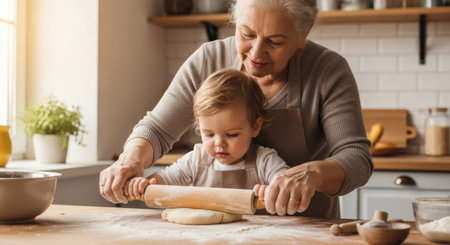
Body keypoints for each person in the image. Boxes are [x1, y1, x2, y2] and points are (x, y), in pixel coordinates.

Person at [100, 0, 373, 218]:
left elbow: (356, 158)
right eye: (247, 34)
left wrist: (312, 174)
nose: (256, 53)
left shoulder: (328, 70)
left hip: (305, 228)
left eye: (275, 42)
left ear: (303, 34)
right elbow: (158, 129)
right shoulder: (209, 59)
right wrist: (131, 160)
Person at [124, 69, 290, 201]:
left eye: (231, 135)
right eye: (209, 135)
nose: (219, 143)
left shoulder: (264, 161)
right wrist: (145, 184)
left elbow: (286, 183)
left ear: (255, 127)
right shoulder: (197, 159)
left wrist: (273, 191)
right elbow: (165, 180)